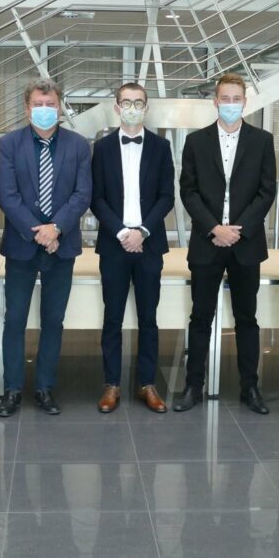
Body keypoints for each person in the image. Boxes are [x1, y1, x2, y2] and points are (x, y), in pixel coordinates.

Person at [173, 72, 276, 414]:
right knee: (200, 317)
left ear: (245, 102)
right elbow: (188, 190)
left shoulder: (262, 141)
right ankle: (193, 386)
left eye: (237, 98)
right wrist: (214, 228)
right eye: (225, 98)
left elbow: (266, 191)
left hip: (246, 244)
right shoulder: (196, 142)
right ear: (215, 101)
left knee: (247, 318)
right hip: (208, 242)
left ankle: (250, 388)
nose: (231, 104)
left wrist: (238, 230)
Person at [0, 78, 92, 418]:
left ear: (60, 107)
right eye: (39, 104)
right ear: (27, 108)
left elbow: (82, 193)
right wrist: (37, 232)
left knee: (53, 320)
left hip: (61, 246)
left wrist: (56, 228)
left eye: (51, 104)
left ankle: (45, 388)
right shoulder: (9, 143)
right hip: (22, 245)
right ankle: (12, 389)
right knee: (15, 319)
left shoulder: (79, 145)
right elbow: (6, 195)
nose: (45, 109)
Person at [90, 82, 175, 414]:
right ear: (116, 107)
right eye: (126, 102)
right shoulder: (102, 148)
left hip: (149, 244)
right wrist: (123, 232)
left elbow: (166, 196)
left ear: (146, 108)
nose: (132, 108)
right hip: (114, 244)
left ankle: (147, 384)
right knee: (112, 318)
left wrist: (142, 231)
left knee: (148, 318)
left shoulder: (161, 147)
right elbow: (96, 197)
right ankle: (111, 384)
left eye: (139, 102)